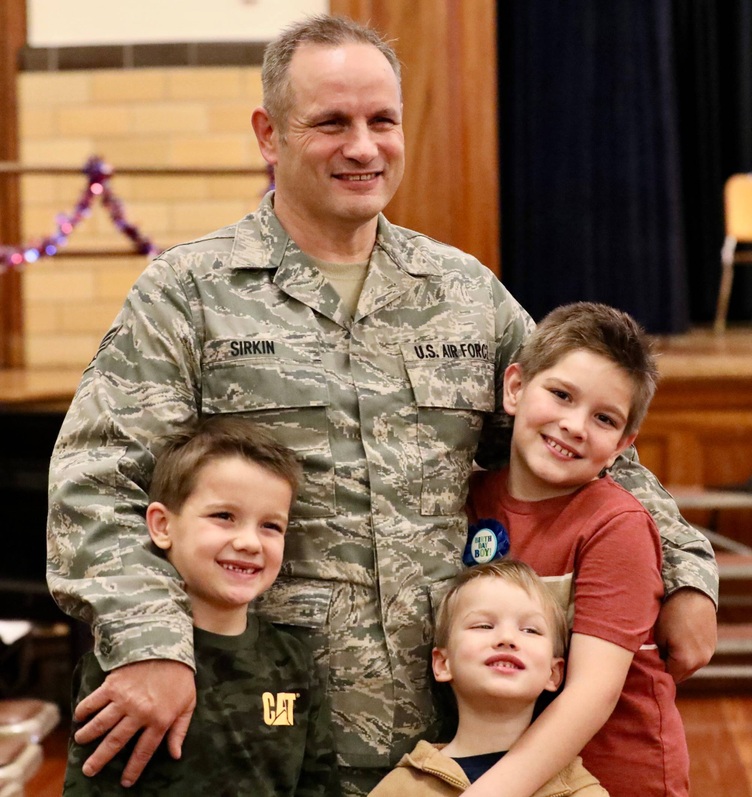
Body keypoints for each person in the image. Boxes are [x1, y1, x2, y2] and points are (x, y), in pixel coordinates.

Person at [46, 13, 717, 797]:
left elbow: (591, 442)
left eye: (382, 121)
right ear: (270, 134)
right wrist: (150, 642)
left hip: (442, 733)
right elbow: (96, 482)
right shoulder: (189, 297)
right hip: (268, 726)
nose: (363, 147)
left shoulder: (465, 295)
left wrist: (689, 569)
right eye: (331, 122)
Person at [464, 302, 690, 797]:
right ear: (516, 388)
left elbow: (590, 695)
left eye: (604, 419)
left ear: (622, 445)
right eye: (561, 395)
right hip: (515, 775)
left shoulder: (617, 526)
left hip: (618, 778)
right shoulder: (470, 500)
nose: (574, 425)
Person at [62, 415, 339, 796]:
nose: (250, 542)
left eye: (271, 526)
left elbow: (318, 786)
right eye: (224, 516)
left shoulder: (294, 663)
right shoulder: (124, 669)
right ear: (161, 525)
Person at [368, 559, 609, 796]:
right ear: (443, 663)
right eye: (483, 626)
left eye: (530, 630)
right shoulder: (402, 787)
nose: (507, 638)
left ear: (553, 673)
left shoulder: (580, 791)